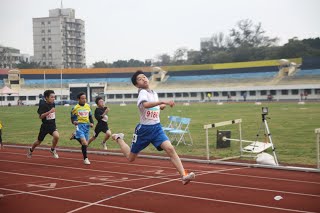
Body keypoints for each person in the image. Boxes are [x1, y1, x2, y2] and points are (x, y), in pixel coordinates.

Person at [112, 70, 195, 185]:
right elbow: (146, 105)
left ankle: (184, 176)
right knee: (131, 157)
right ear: (136, 85)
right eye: (140, 79)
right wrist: (161, 101)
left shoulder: (153, 93)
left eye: (144, 77)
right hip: (144, 131)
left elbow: (156, 107)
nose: (144, 79)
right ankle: (119, 138)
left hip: (157, 128)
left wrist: (163, 105)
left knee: (170, 149)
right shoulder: (142, 93)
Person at [27, 90, 59, 159]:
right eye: (52, 97)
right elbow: (40, 117)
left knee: (56, 136)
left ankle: (52, 149)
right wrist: (49, 112)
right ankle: (31, 150)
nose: (53, 98)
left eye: (54, 97)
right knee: (38, 141)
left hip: (52, 125)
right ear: (46, 97)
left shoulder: (53, 103)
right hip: (45, 126)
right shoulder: (43, 105)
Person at [71, 92, 94, 165]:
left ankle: (75, 136)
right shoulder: (75, 108)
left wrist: (92, 123)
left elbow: (90, 116)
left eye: (85, 98)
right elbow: (72, 118)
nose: (84, 100)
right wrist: (74, 122)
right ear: (78, 99)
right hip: (79, 126)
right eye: (82, 98)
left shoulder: (88, 106)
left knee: (85, 144)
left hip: (86, 127)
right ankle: (85, 158)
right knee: (84, 143)